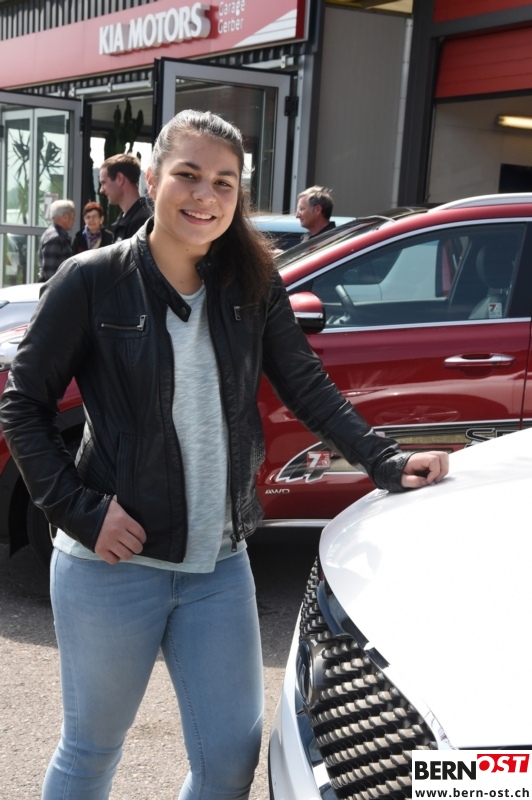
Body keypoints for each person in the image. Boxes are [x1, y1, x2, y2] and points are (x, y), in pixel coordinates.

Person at [0, 109, 449, 800]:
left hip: (219, 564)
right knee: (91, 751)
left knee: (230, 762)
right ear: (154, 179)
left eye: (223, 182)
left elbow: (307, 387)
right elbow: (23, 404)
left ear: (239, 194)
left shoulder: (252, 283)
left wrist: (385, 460)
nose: (204, 195)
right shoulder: (92, 279)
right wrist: (81, 512)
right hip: (111, 567)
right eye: (187, 174)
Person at [99, 153, 152, 241]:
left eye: (103, 183)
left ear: (119, 178)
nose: (101, 190)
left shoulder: (144, 221)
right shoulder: (125, 220)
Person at [37, 199, 76, 282]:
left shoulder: (53, 234)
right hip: (56, 288)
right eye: (73, 216)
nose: (74, 220)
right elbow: (50, 274)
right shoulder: (56, 238)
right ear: (65, 217)